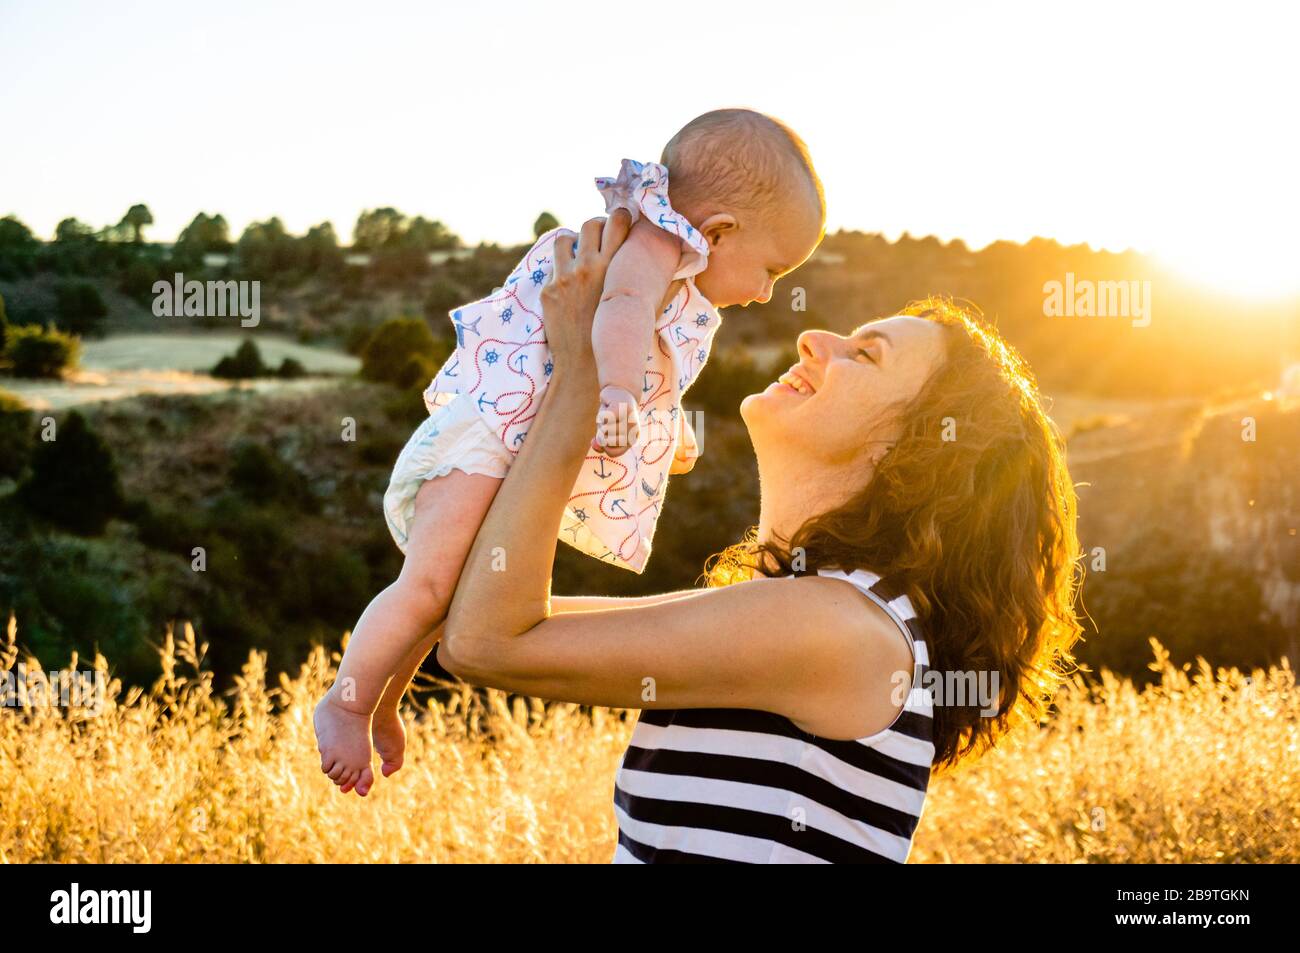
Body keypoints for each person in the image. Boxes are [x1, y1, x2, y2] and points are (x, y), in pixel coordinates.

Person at [435, 214, 1085, 862]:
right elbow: (472, 623)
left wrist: (583, 374)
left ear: (911, 450)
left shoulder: (840, 628)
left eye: (864, 354)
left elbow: (488, 642)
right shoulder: (817, 611)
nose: (812, 339)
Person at [314, 109, 826, 796]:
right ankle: (344, 701)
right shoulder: (654, 246)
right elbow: (616, 311)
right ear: (718, 230)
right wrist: (615, 392)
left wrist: (658, 425)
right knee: (429, 584)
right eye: (771, 268)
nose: (767, 291)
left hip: (507, 444)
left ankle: (380, 699)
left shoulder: (679, 272)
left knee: (445, 596)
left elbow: (656, 364)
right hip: (484, 434)